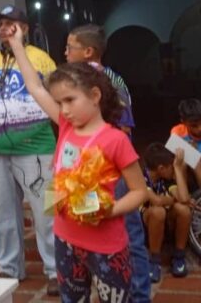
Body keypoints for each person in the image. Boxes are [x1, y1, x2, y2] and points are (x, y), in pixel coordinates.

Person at [7, 25, 147, 303]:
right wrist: (16, 45)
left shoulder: (115, 140)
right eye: (60, 102)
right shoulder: (66, 129)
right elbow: (34, 86)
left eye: (70, 100)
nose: (65, 109)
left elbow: (139, 192)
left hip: (106, 244)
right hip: (65, 238)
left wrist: (110, 210)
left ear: (95, 96)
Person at [64, 24, 150, 300]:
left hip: (113, 173)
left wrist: (97, 166)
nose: (65, 52)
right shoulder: (75, 84)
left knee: (129, 232)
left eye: (70, 47)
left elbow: (123, 130)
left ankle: (138, 295)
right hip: (79, 174)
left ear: (88, 51)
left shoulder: (110, 81)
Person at [0, 5, 58, 295]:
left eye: (10, 23)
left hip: (36, 148)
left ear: (24, 27)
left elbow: (56, 97)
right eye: (0, 24)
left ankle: (55, 270)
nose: (3, 28)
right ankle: (9, 269)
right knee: (3, 213)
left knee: (46, 211)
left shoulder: (42, 59)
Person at [141, 144, 191, 282]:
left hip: (167, 225)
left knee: (183, 209)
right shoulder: (141, 179)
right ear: (161, 169)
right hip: (146, 229)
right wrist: (173, 199)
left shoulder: (167, 180)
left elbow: (185, 199)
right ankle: (154, 261)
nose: (172, 172)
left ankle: (179, 256)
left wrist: (178, 169)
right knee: (158, 212)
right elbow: (156, 201)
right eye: (171, 167)